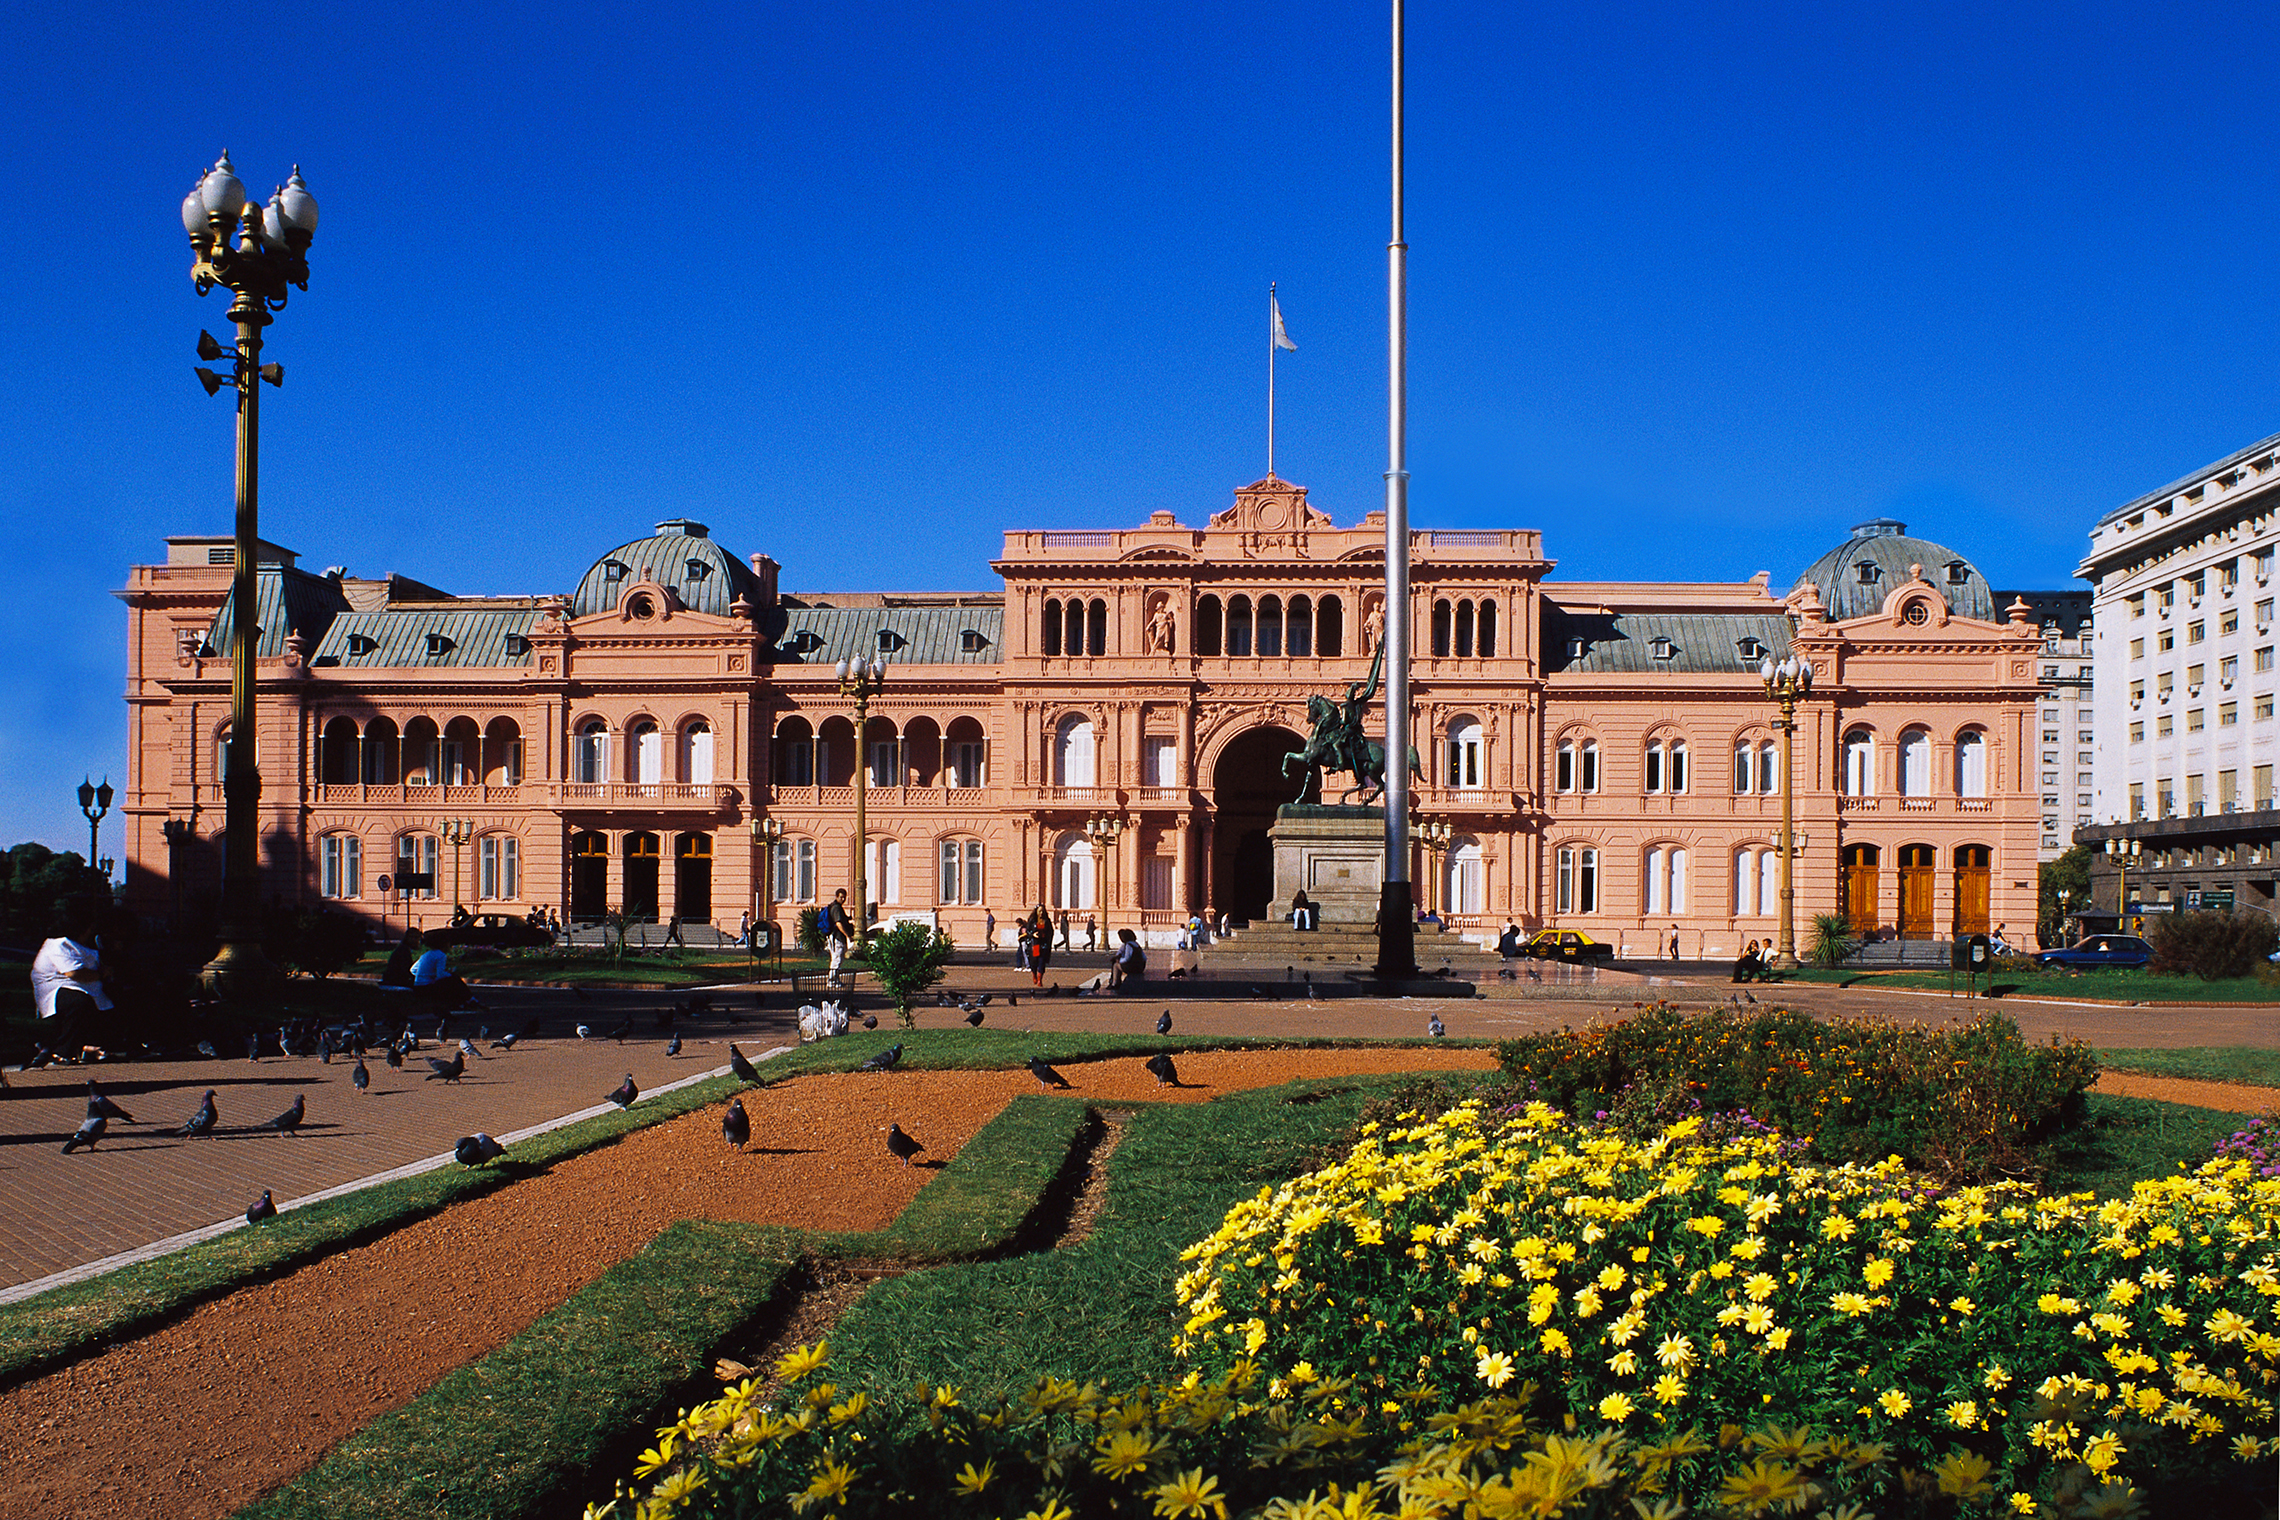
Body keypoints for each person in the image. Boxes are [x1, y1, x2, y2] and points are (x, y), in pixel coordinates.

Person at [31, 915, 113, 1063]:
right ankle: (62, 1051)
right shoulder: (59, 945)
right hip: (57, 989)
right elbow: (73, 973)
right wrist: (101, 974)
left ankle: (95, 1045)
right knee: (79, 1002)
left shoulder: (82, 946)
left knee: (121, 997)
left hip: (86, 986)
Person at [412, 938, 481, 1010]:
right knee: (454, 979)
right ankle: (468, 999)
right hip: (428, 986)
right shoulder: (441, 955)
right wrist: (449, 973)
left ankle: (464, 1001)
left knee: (451, 978)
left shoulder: (425, 955)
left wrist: (426, 973)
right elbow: (440, 975)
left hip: (418, 986)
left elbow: (413, 970)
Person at [822, 889, 855, 987]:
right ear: (836, 896)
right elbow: (838, 923)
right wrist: (847, 935)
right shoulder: (836, 908)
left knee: (838, 959)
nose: (843, 899)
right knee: (837, 959)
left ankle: (835, 980)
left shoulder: (837, 907)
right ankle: (831, 980)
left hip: (836, 937)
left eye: (844, 897)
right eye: (841, 897)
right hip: (837, 937)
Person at [1021, 904, 1053, 987]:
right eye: (1039, 911)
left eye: (1042, 911)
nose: (1041, 913)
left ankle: (1039, 979)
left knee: (1042, 962)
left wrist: (1046, 937)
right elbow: (1027, 932)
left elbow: (1050, 932)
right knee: (1034, 962)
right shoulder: (1032, 920)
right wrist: (1033, 935)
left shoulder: (1047, 921)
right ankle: (1034, 975)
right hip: (1035, 944)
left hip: (1043, 944)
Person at [1107, 928, 1147, 992]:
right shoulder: (1136, 944)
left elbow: (1127, 958)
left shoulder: (1128, 945)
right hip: (1140, 967)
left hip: (1132, 967)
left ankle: (1115, 983)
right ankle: (1115, 982)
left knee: (1116, 966)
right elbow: (1144, 957)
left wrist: (1119, 960)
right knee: (1117, 963)